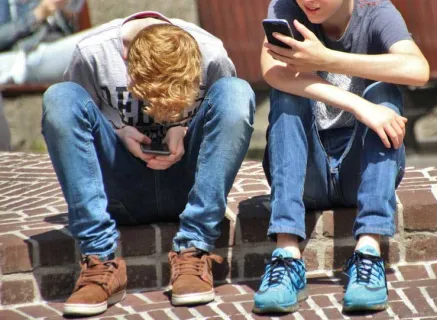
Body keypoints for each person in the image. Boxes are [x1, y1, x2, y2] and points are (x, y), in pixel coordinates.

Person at [41, 11, 255, 317]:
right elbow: (77, 123)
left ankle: (194, 249)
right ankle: (100, 262)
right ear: (126, 61)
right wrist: (118, 130)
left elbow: (222, 120)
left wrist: (182, 127)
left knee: (236, 92)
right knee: (60, 97)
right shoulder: (93, 53)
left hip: (189, 183)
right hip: (120, 186)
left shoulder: (211, 52)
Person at [253, 0, 429, 314]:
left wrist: (328, 59)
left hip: (359, 171)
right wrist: (360, 106)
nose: (308, 0)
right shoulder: (285, 9)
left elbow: (417, 70)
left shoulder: (375, 11)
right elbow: (272, 72)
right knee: (285, 94)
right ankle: (286, 258)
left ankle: (368, 254)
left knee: (385, 95)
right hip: (308, 172)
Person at [0, 0, 87, 151]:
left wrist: (65, 13)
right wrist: (38, 14)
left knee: (108, 37)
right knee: (95, 44)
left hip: (50, 52)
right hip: (17, 58)